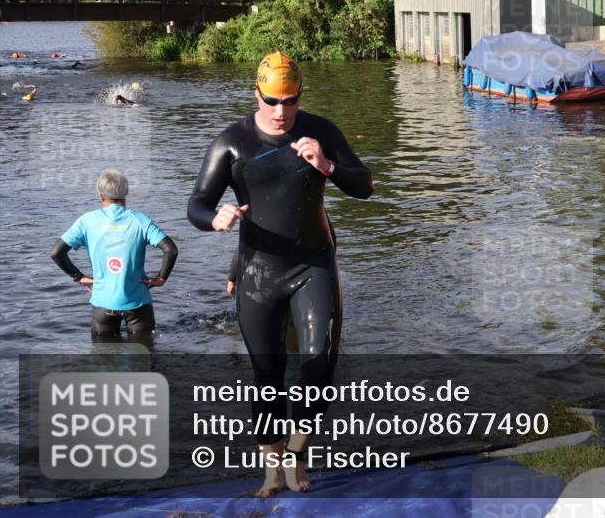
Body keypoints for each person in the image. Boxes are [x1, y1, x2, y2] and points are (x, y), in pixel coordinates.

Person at [187, 51, 372, 498]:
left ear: (299, 96)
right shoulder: (233, 141)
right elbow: (196, 203)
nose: (281, 110)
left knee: (318, 366)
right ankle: (272, 468)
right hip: (259, 271)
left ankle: (296, 454)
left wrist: (327, 164)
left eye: (290, 100)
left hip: (313, 265)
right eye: (272, 100)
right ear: (257, 93)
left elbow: (364, 184)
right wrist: (216, 218)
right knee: (266, 375)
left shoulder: (320, 131)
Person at [51, 171, 178, 345]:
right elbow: (170, 250)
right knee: (143, 362)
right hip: (138, 304)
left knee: (104, 362)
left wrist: (79, 277)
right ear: (126, 194)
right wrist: (161, 278)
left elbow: (57, 253)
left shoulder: (86, 221)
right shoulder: (140, 220)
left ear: (100, 195)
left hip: (103, 303)